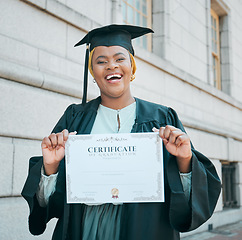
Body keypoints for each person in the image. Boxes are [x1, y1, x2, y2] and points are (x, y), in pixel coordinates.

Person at [22, 24, 221, 240]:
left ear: (132, 67)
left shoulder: (162, 118)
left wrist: (184, 160)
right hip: (85, 227)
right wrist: (50, 167)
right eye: (101, 61)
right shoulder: (75, 118)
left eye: (119, 58)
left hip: (146, 228)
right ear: (93, 72)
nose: (111, 66)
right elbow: (50, 205)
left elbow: (188, 202)